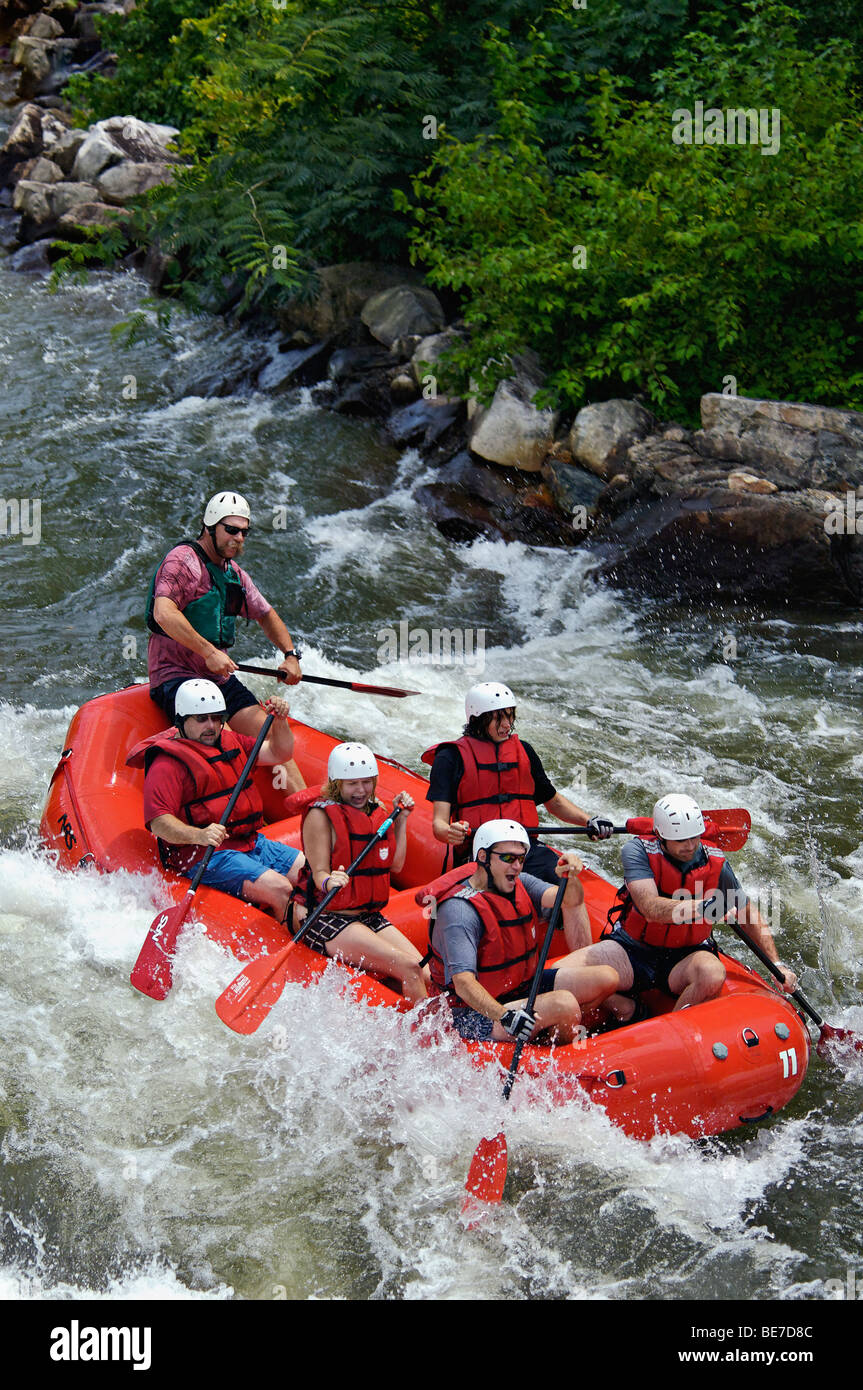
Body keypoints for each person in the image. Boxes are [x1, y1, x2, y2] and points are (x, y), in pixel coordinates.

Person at [570, 793, 799, 1021]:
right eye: (680, 840)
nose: (690, 847)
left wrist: (777, 965)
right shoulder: (637, 851)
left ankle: (668, 1033)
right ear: (660, 836)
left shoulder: (715, 861)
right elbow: (650, 908)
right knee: (573, 975)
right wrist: (704, 906)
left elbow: (747, 912)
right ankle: (624, 1006)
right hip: (634, 949)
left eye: (694, 838)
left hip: (686, 955)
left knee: (711, 973)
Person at [146, 490, 304, 790]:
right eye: (231, 529)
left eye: (244, 532)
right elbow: (164, 613)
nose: (239, 537)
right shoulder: (183, 562)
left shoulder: (233, 575)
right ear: (209, 527)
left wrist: (291, 655)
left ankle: (306, 814)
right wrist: (208, 651)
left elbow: (266, 614)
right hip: (176, 678)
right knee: (224, 742)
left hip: (216, 678)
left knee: (270, 734)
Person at [421, 819, 619, 1043]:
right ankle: (554, 1051)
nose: (516, 866)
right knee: (565, 1004)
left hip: (518, 989)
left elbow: (571, 900)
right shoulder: (459, 911)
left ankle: (544, 1034)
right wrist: (505, 1016)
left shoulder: (521, 883)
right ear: (483, 857)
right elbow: (464, 984)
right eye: (507, 858)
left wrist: (570, 877)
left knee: (607, 977)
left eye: (520, 858)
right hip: (470, 1014)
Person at [131, 679, 306, 924]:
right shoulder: (166, 764)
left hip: (251, 842)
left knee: (310, 873)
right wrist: (198, 836)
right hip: (203, 854)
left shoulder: (230, 742)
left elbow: (280, 753)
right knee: (280, 888)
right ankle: (292, 940)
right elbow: (159, 822)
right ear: (181, 720)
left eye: (216, 718)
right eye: (201, 719)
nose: (211, 725)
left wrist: (280, 721)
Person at [422, 681, 614, 879]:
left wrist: (589, 821)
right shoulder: (450, 757)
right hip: (480, 853)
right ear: (477, 719)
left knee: (566, 885)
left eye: (510, 715)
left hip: (525, 848)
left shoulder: (524, 751)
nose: (507, 724)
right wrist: (450, 832)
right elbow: (439, 825)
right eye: (498, 718)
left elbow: (554, 802)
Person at [299, 742, 429, 1004]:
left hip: (367, 916)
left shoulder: (377, 813)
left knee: (426, 973)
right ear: (337, 784)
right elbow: (318, 872)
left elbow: (396, 866)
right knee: (408, 968)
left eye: (367, 782)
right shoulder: (320, 816)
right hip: (326, 917)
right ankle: (428, 1040)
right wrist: (328, 881)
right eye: (352, 784)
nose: (361, 790)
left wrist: (401, 821)